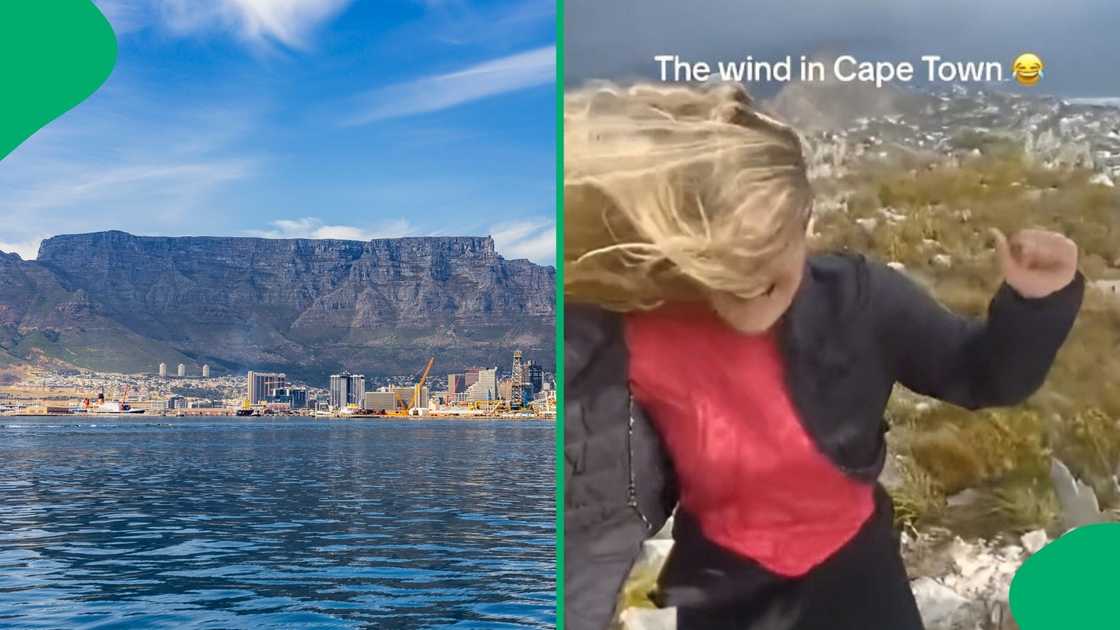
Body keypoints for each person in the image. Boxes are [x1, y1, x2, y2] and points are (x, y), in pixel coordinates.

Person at [563, 82, 1084, 630]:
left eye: (769, 252)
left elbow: (979, 375)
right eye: (729, 261)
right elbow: (589, 512)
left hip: (857, 569)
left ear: (808, 224)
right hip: (724, 586)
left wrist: (1034, 306)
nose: (751, 281)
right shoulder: (628, 332)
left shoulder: (861, 302)